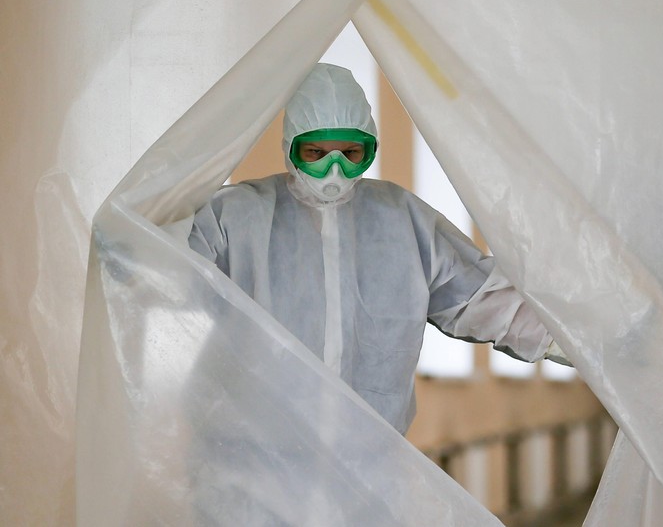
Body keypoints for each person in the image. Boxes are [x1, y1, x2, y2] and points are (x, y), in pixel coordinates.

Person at [188, 62, 566, 436]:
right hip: (251, 463)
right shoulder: (235, 217)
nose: (334, 170)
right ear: (291, 146)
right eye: (316, 153)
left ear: (370, 148)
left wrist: (582, 344)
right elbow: (162, 276)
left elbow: (480, 301)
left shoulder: (402, 220)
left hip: (365, 466)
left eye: (351, 154)